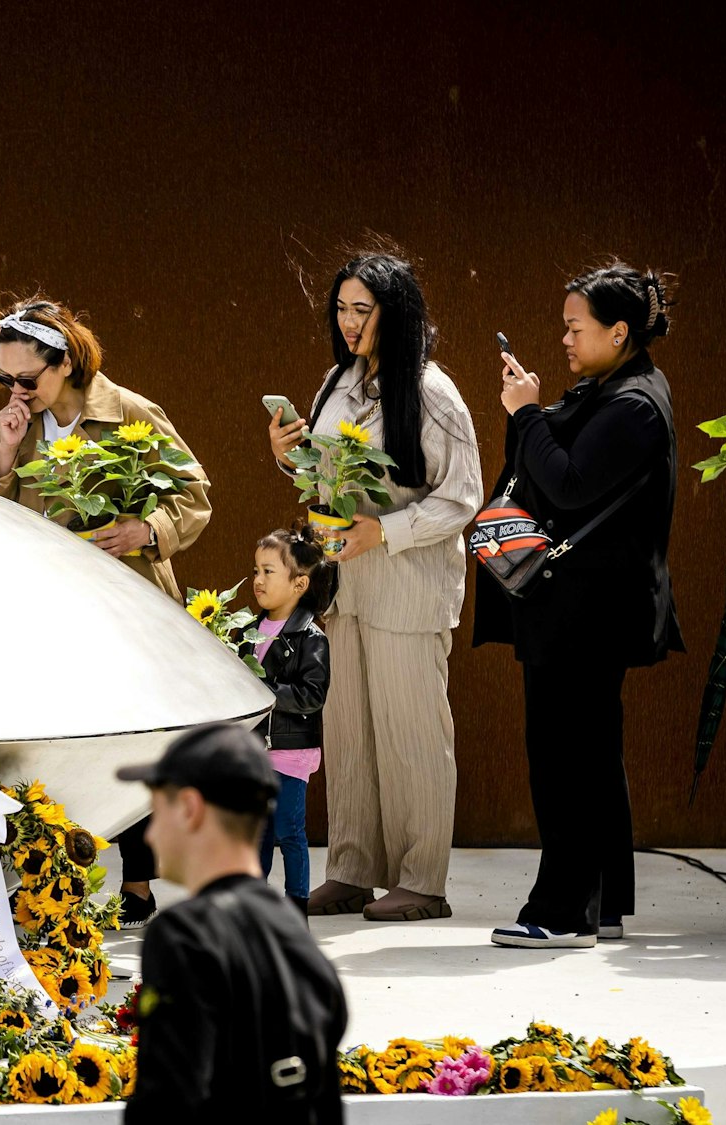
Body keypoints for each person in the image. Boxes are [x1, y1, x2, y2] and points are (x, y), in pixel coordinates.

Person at [0, 293, 215, 930]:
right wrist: (2, 453)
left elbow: (195, 494)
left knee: (130, 739)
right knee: (46, 747)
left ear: (66, 364)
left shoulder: (130, 412)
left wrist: (148, 529)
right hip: (46, 611)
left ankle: (136, 885)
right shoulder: (17, 425)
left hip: (123, 603)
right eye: (5, 378)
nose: (17, 391)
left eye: (28, 379)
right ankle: (47, 885)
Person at [266, 252, 480, 922]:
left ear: (397, 311)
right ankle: (353, 869)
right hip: (347, 586)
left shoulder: (433, 392)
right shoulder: (340, 380)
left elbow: (463, 497)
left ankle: (423, 879)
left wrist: (384, 533)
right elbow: (325, 482)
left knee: (412, 729)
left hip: (408, 584)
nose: (350, 322)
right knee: (349, 729)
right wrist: (288, 457)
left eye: (364, 309)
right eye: (342, 309)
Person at [474, 262, 682, 949]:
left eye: (575, 326)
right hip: (585, 604)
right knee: (591, 750)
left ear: (618, 331)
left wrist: (527, 412)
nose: (564, 338)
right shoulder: (619, 388)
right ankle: (606, 901)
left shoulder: (633, 403)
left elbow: (565, 484)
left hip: (586, 610)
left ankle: (564, 911)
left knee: (565, 752)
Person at [116, 723, 348, 1122]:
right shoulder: (295, 935)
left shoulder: (185, 935)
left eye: (156, 811)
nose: (151, 834)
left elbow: (167, 1102)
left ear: (190, 809)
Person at [249, 525, 338, 914]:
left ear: (299, 584)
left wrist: (265, 691)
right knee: (258, 835)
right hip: (255, 754)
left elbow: (312, 695)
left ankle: (295, 908)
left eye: (269, 571)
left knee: (288, 831)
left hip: (290, 752)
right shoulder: (248, 629)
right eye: (256, 570)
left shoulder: (310, 637)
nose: (258, 580)